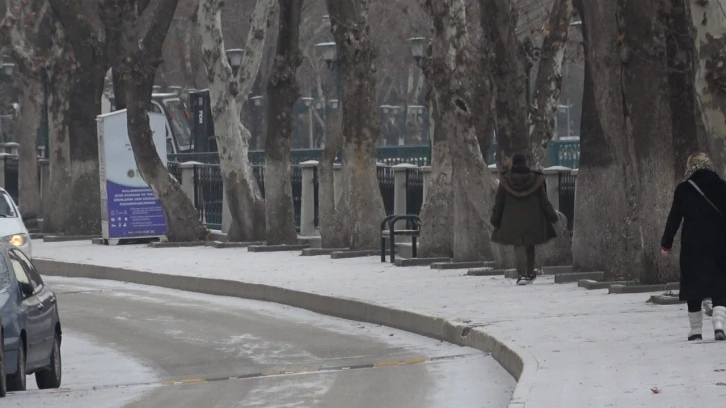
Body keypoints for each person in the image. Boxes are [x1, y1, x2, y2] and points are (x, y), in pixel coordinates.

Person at [661, 152, 726, 341]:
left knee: (693, 286)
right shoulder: (722, 187)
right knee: (720, 284)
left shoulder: (683, 190)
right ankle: (719, 325)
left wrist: (666, 242)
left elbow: (674, 218)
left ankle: (696, 330)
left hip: (692, 246)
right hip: (719, 244)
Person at [491, 153, 559, 285]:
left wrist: (495, 220)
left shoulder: (506, 180)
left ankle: (521, 273)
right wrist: (553, 217)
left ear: (513, 164)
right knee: (530, 245)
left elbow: (499, 202)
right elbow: (544, 201)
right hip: (533, 219)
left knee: (518, 245)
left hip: (512, 219)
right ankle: (529, 272)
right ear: (525, 163)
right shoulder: (535, 179)